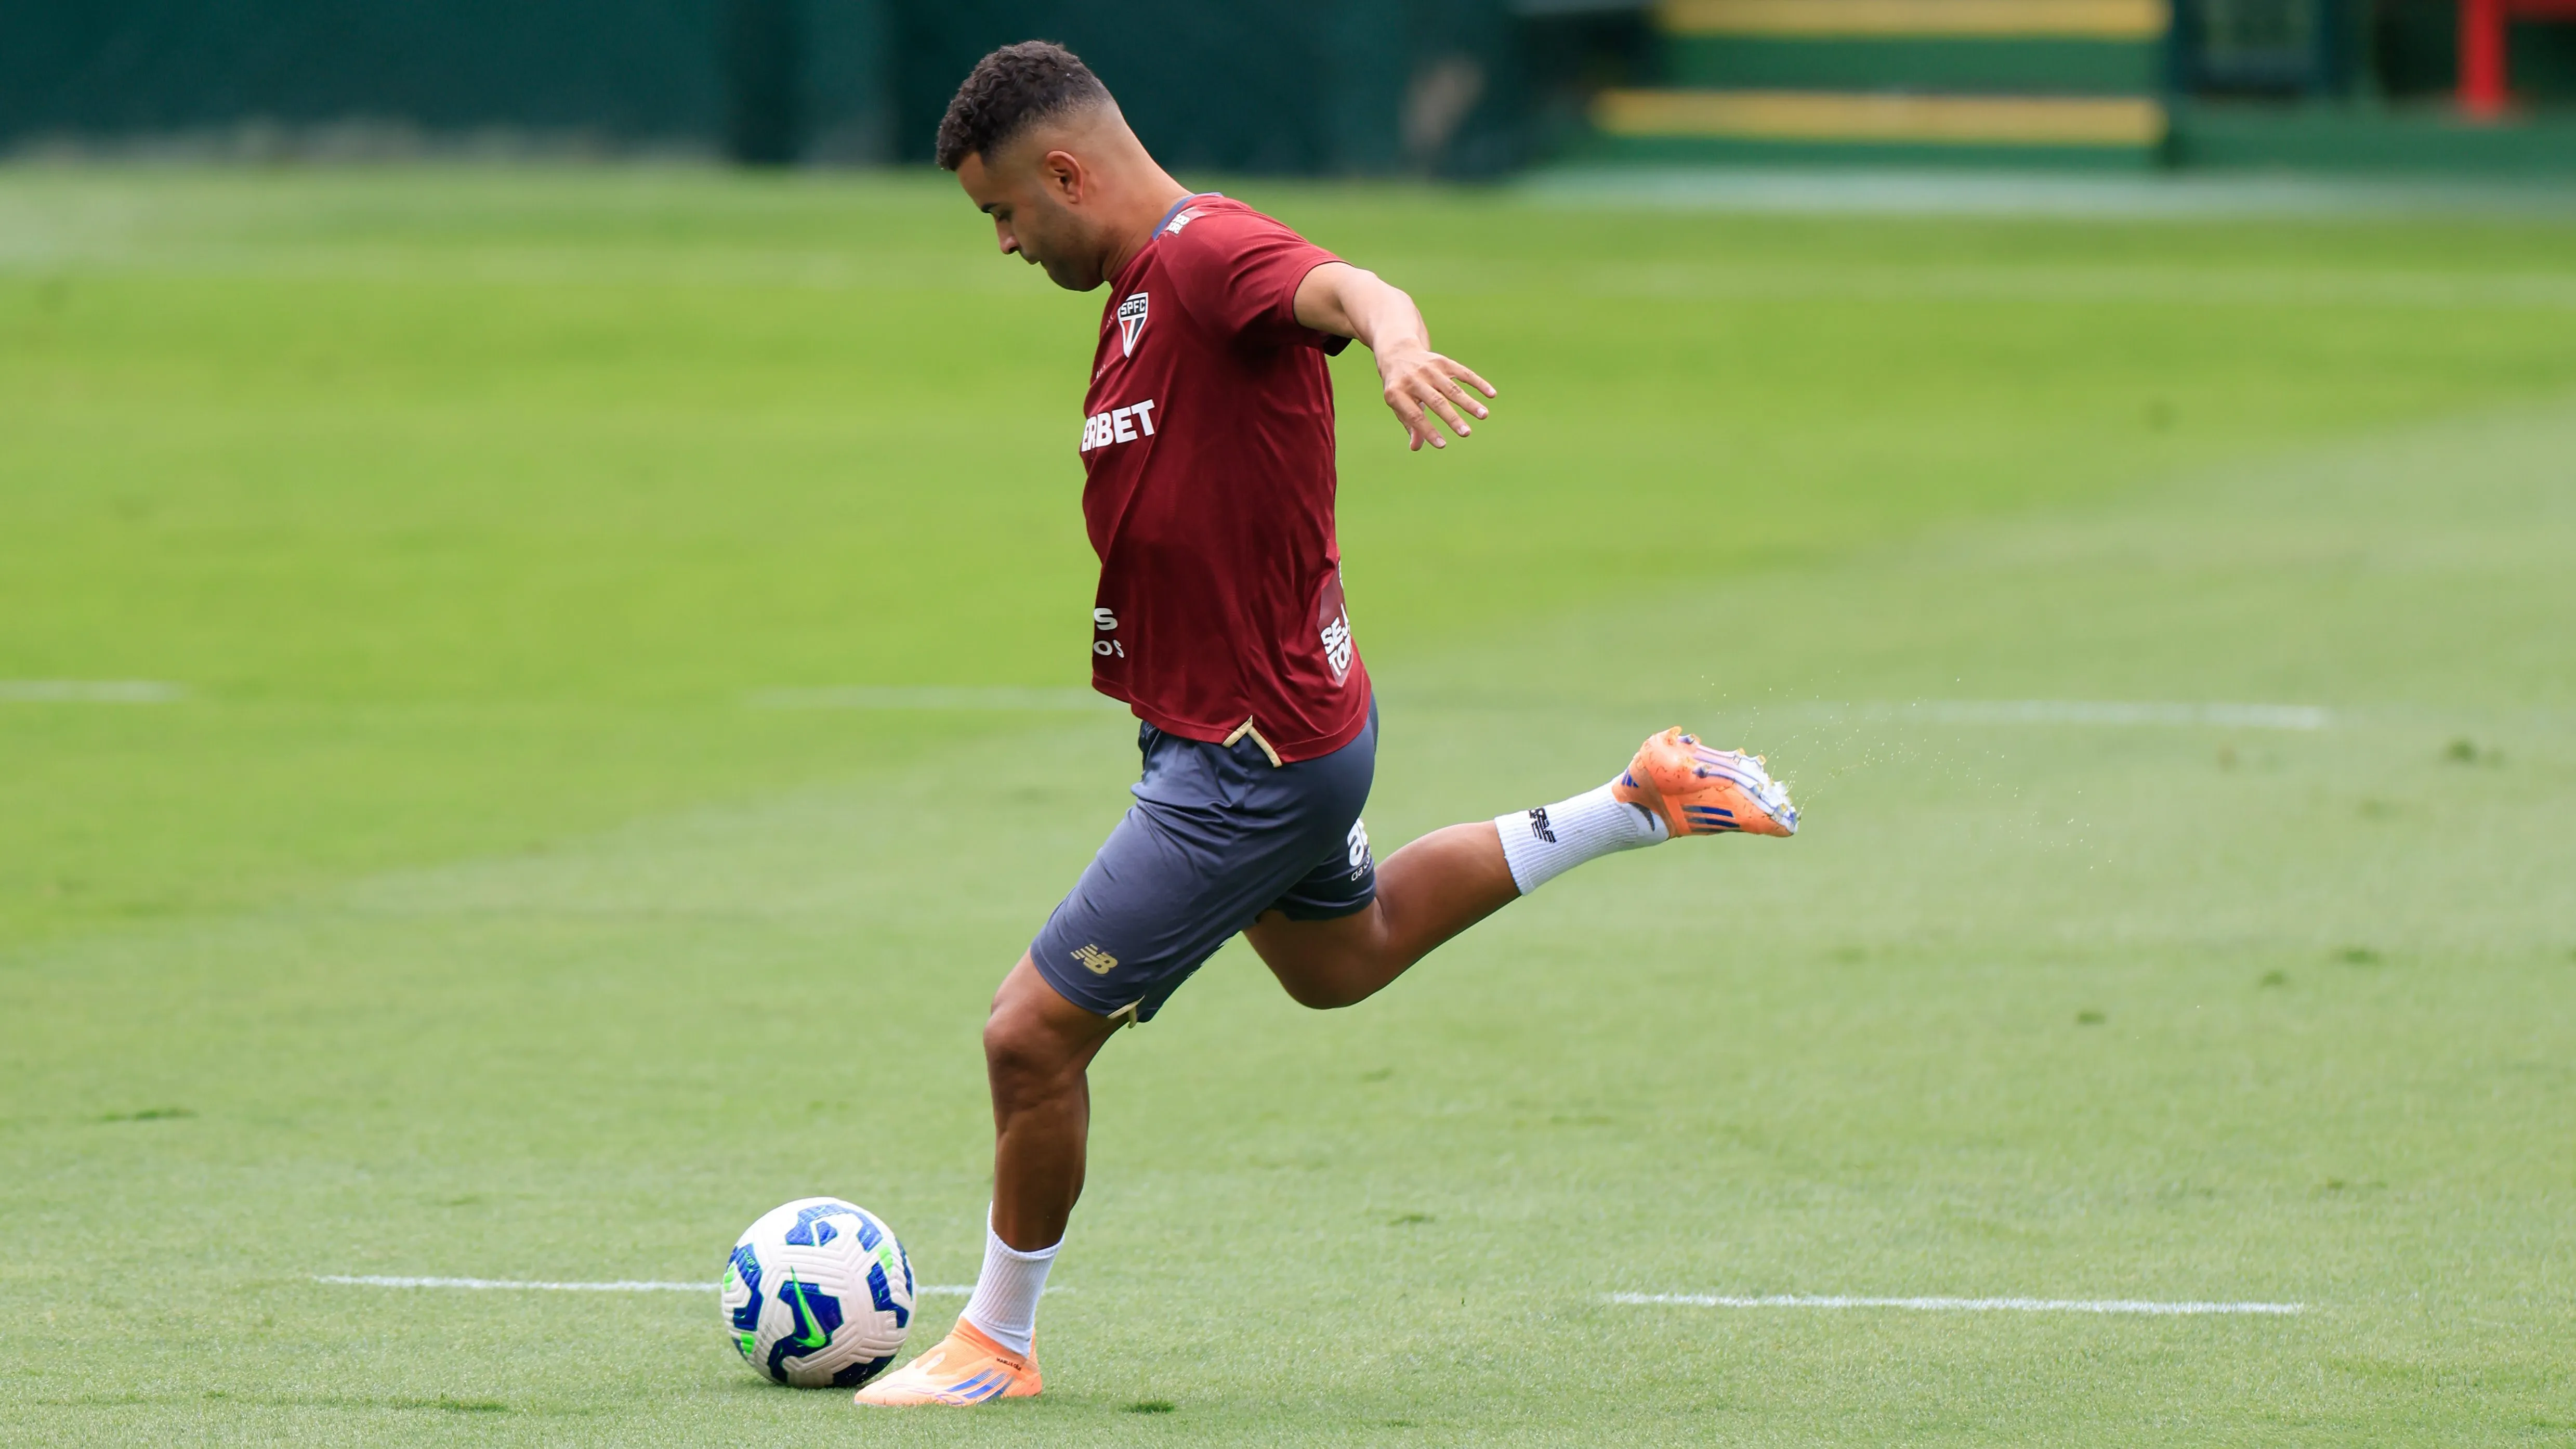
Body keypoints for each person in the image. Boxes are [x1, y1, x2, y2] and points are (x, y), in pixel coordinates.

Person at [853, 41, 1798, 1409]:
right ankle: (1637, 800)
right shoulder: (1136, 292)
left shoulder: (1202, 255)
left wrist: (1397, 346)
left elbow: (1350, 289)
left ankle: (995, 1344)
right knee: (1340, 962)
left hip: (1246, 762)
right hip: (1276, 727)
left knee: (1029, 1039)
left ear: (1064, 171)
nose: (1002, 241)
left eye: (1002, 211)